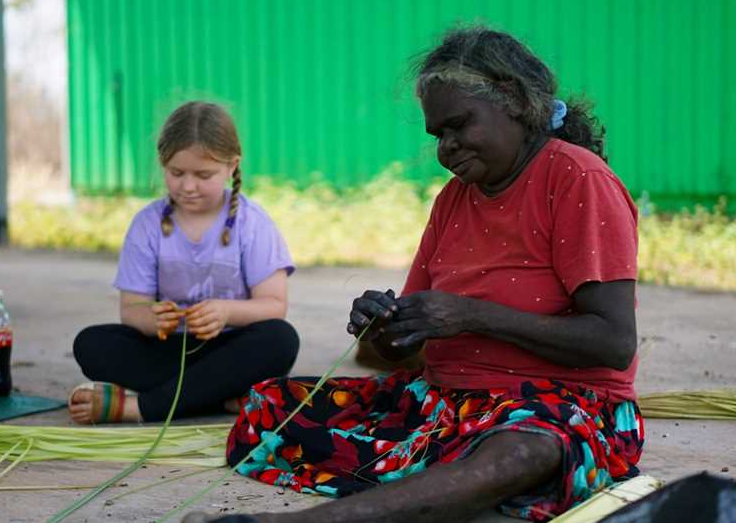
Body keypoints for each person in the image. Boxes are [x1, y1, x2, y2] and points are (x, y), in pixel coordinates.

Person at [193, 26, 644, 523]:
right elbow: (395, 354)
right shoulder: (453, 200)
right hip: (446, 406)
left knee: (524, 452)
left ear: (513, 100)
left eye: (459, 125)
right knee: (272, 408)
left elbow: (614, 341)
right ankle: (450, 482)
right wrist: (382, 328)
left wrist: (473, 315)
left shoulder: (577, 179)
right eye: (438, 136)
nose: (447, 148)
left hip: (559, 408)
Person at [68, 101, 299, 424]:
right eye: (176, 173)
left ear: (232, 166)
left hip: (230, 349)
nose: (187, 186)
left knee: (280, 339)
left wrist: (226, 311)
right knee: (91, 344)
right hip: (172, 350)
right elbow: (132, 310)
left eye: (204, 175)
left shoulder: (253, 223)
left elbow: (274, 305)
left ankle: (139, 408)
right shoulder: (147, 225)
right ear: (163, 164)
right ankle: (219, 397)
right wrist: (154, 319)